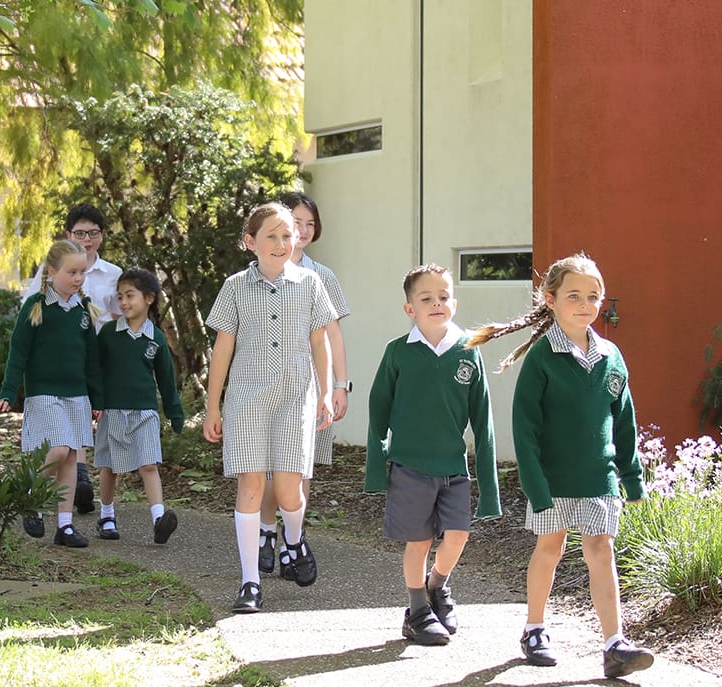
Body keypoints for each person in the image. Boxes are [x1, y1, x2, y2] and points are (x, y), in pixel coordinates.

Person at [468, 252, 653, 678]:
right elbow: (525, 427)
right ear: (550, 300)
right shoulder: (542, 358)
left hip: (600, 478)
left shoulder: (611, 356)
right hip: (552, 480)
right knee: (550, 548)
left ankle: (615, 644)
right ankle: (534, 629)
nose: (585, 304)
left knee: (600, 550)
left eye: (593, 296)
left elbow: (624, 421)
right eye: (574, 296)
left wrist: (632, 478)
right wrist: (535, 484)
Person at [202, 201, 336, 614]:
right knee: (251, 486)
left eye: (287, 235)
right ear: (250, 242)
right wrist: (213, 406)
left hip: (296, 396)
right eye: (271, 236)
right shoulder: (235, 287)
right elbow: (222, 349)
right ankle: (250, 582)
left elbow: (320, 341)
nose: (281, 243)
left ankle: (293, 539)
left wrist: (327, 391)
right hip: (246, 399)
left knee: (290, 490)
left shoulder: (311, 283)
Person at [365, 264, 500, 646]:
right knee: (419, 541)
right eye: (426, 298)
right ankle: (417, 612)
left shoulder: (468, 351)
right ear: (410, 309)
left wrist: (489, 486)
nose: (436, 303)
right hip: (410, 466)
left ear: (454, 303)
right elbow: (378, 409)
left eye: (443, 297)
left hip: (453, 466)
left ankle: (436, 586)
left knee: (457, 536)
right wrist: (376, 468)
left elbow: (483, 419)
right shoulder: (398, 352)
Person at [258, 190, 350, 577]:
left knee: (300, 469)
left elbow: (333, 335)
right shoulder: (258, 272)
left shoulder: (321, 276)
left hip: (310, 388)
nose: (304, 230)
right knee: (265, 467)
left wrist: (340, 384)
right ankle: (264, 533)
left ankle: (291, 543)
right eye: (297, 222)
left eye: (311, 224)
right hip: (265, 386)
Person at [0, 238, 103, 548]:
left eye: (82, 272)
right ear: (52, 272)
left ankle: (65, 526)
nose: (78, 278)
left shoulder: (83, 310)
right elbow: (18, 352)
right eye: (72, 272)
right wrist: (8, 391)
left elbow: (92, 359)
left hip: (76, 395)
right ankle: (32, 497)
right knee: (58, 449)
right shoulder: (37, 306)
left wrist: (97, 398)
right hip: (44, 393)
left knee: (70, 457)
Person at [25, 203, 121, 512]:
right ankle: (77, 479)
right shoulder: (52, 270)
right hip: (62, 360)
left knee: (89, 419)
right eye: (80, 233)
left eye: (93, 233)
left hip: (98, 357)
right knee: (64, 426)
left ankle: (86, 484)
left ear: (102, 235)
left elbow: (120, 316)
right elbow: (32, 311)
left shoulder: (113, 274)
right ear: (68, 234)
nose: (87, 239)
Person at [91, 268, 185, 544]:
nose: (123, 302)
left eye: (130, 295)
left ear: (149, 298)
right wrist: (96, 402)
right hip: (112, 410)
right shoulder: (108, 333)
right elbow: (95, 370)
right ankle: (106, 516)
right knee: (109, 466)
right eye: (120, 296)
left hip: (145, 412)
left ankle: (158, 519)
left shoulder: (156, 337)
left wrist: (175, 413)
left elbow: (166, 379)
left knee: (148, 464)